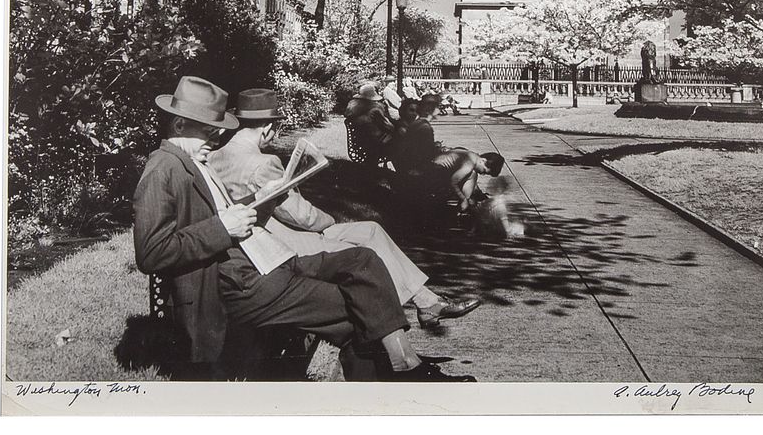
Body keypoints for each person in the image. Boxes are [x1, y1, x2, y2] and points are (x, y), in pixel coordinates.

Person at [133, 76, 475, 381]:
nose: (219, 136)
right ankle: (404, 377)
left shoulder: (192, 161)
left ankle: (404, 370)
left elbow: (214, 213)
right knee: (362, 308)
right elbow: (152, 253)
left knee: (364, 261)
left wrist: (257, 199)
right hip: (242, 283)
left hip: (263, 263)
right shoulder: (164, 170)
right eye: (210, 130)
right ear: (179, 125)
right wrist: (224, 227)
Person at [207, 88, 481, 329]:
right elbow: (299, 215)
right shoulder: (263, 163)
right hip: (283, 242)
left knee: (371, 230)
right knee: (364, 250)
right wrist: (329, 221)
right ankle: (413, 319)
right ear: (267, 128)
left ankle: (427, 302)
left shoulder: (214, 157)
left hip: (257, 237)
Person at [392, 97, 505, 211]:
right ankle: (465, 204)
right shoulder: (424, 126)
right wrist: (463, 199)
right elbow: (453, 181)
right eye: (438, 107)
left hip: (427, 164)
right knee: (471, 174)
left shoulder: (420, 124)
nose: (440, 110)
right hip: (427, 168)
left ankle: (468, 201)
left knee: (471, 173)